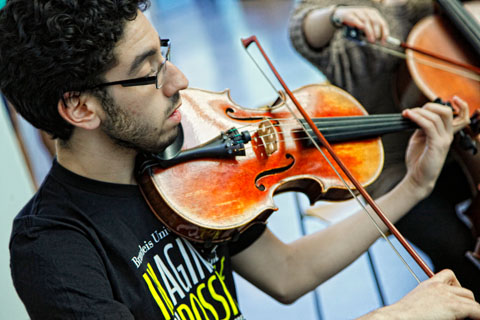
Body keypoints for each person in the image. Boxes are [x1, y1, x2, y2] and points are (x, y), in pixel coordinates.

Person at [1, 0, 479, 319]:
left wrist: (413, 185)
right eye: (148, 73)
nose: (179, 81)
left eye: (163, 54)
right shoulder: (53, 249)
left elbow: (288, 272)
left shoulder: (182, 159)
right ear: (80, 108)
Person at [289, 0, 480, 298]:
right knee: (451, 244)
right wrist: (337, 15)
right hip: (394, 167)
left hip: (461, 151)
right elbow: (304, 29)